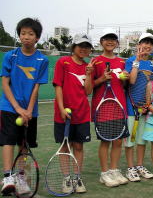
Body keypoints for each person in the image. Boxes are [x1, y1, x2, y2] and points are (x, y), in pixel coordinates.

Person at [0, 18, 48, 195]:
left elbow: (36, 87)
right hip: (9, 106)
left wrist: (28, 110)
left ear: (37, 38)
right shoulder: (10, 56)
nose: (26, 37)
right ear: (19, 35)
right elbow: (5, 84)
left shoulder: (42, 59)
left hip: (30, 110)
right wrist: (18, 108)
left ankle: (21, 178)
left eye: (30, 34)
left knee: (24, 145)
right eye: (23, 33)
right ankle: (7, 177)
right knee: (8, 140)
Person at [52, 33, 94, 193]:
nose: (84, 49)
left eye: (87, 46)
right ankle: (66, 179)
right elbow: (58, 86)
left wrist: (89, 74)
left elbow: (88, 91)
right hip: (63, 114)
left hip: (82, 113)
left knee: (78, 146)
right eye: (81, 46)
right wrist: (62, 108)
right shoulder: (63, 62)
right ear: (74, 47)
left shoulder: (89, 66)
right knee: (64, 146)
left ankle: (77, 177)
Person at [91, 29, 129, 187]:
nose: (110, 41)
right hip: (102, 107)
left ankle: (114, 170)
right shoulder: (96, 61)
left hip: (119, 107)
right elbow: (89, 86)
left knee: (118, 141)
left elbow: (124, 86)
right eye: (106, 39)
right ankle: (104, 173)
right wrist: (101, 78)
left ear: (117, 43)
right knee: (105, 142)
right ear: (101, 42)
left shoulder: (121, 62)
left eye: (113, 39)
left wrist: (125, 79)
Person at [124, 33, 153, 182]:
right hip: (131, 108)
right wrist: (137, 60)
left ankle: (139, 166)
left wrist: (148, 105)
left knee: (142, 140)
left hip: (145, 110)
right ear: (138, 45)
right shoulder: (130, 60)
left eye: (150, 43)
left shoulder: (151, 65)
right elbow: (132, 80)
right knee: (130, 140)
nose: (147, 45)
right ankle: (130, 168)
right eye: (145, 42)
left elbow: (151, 87)